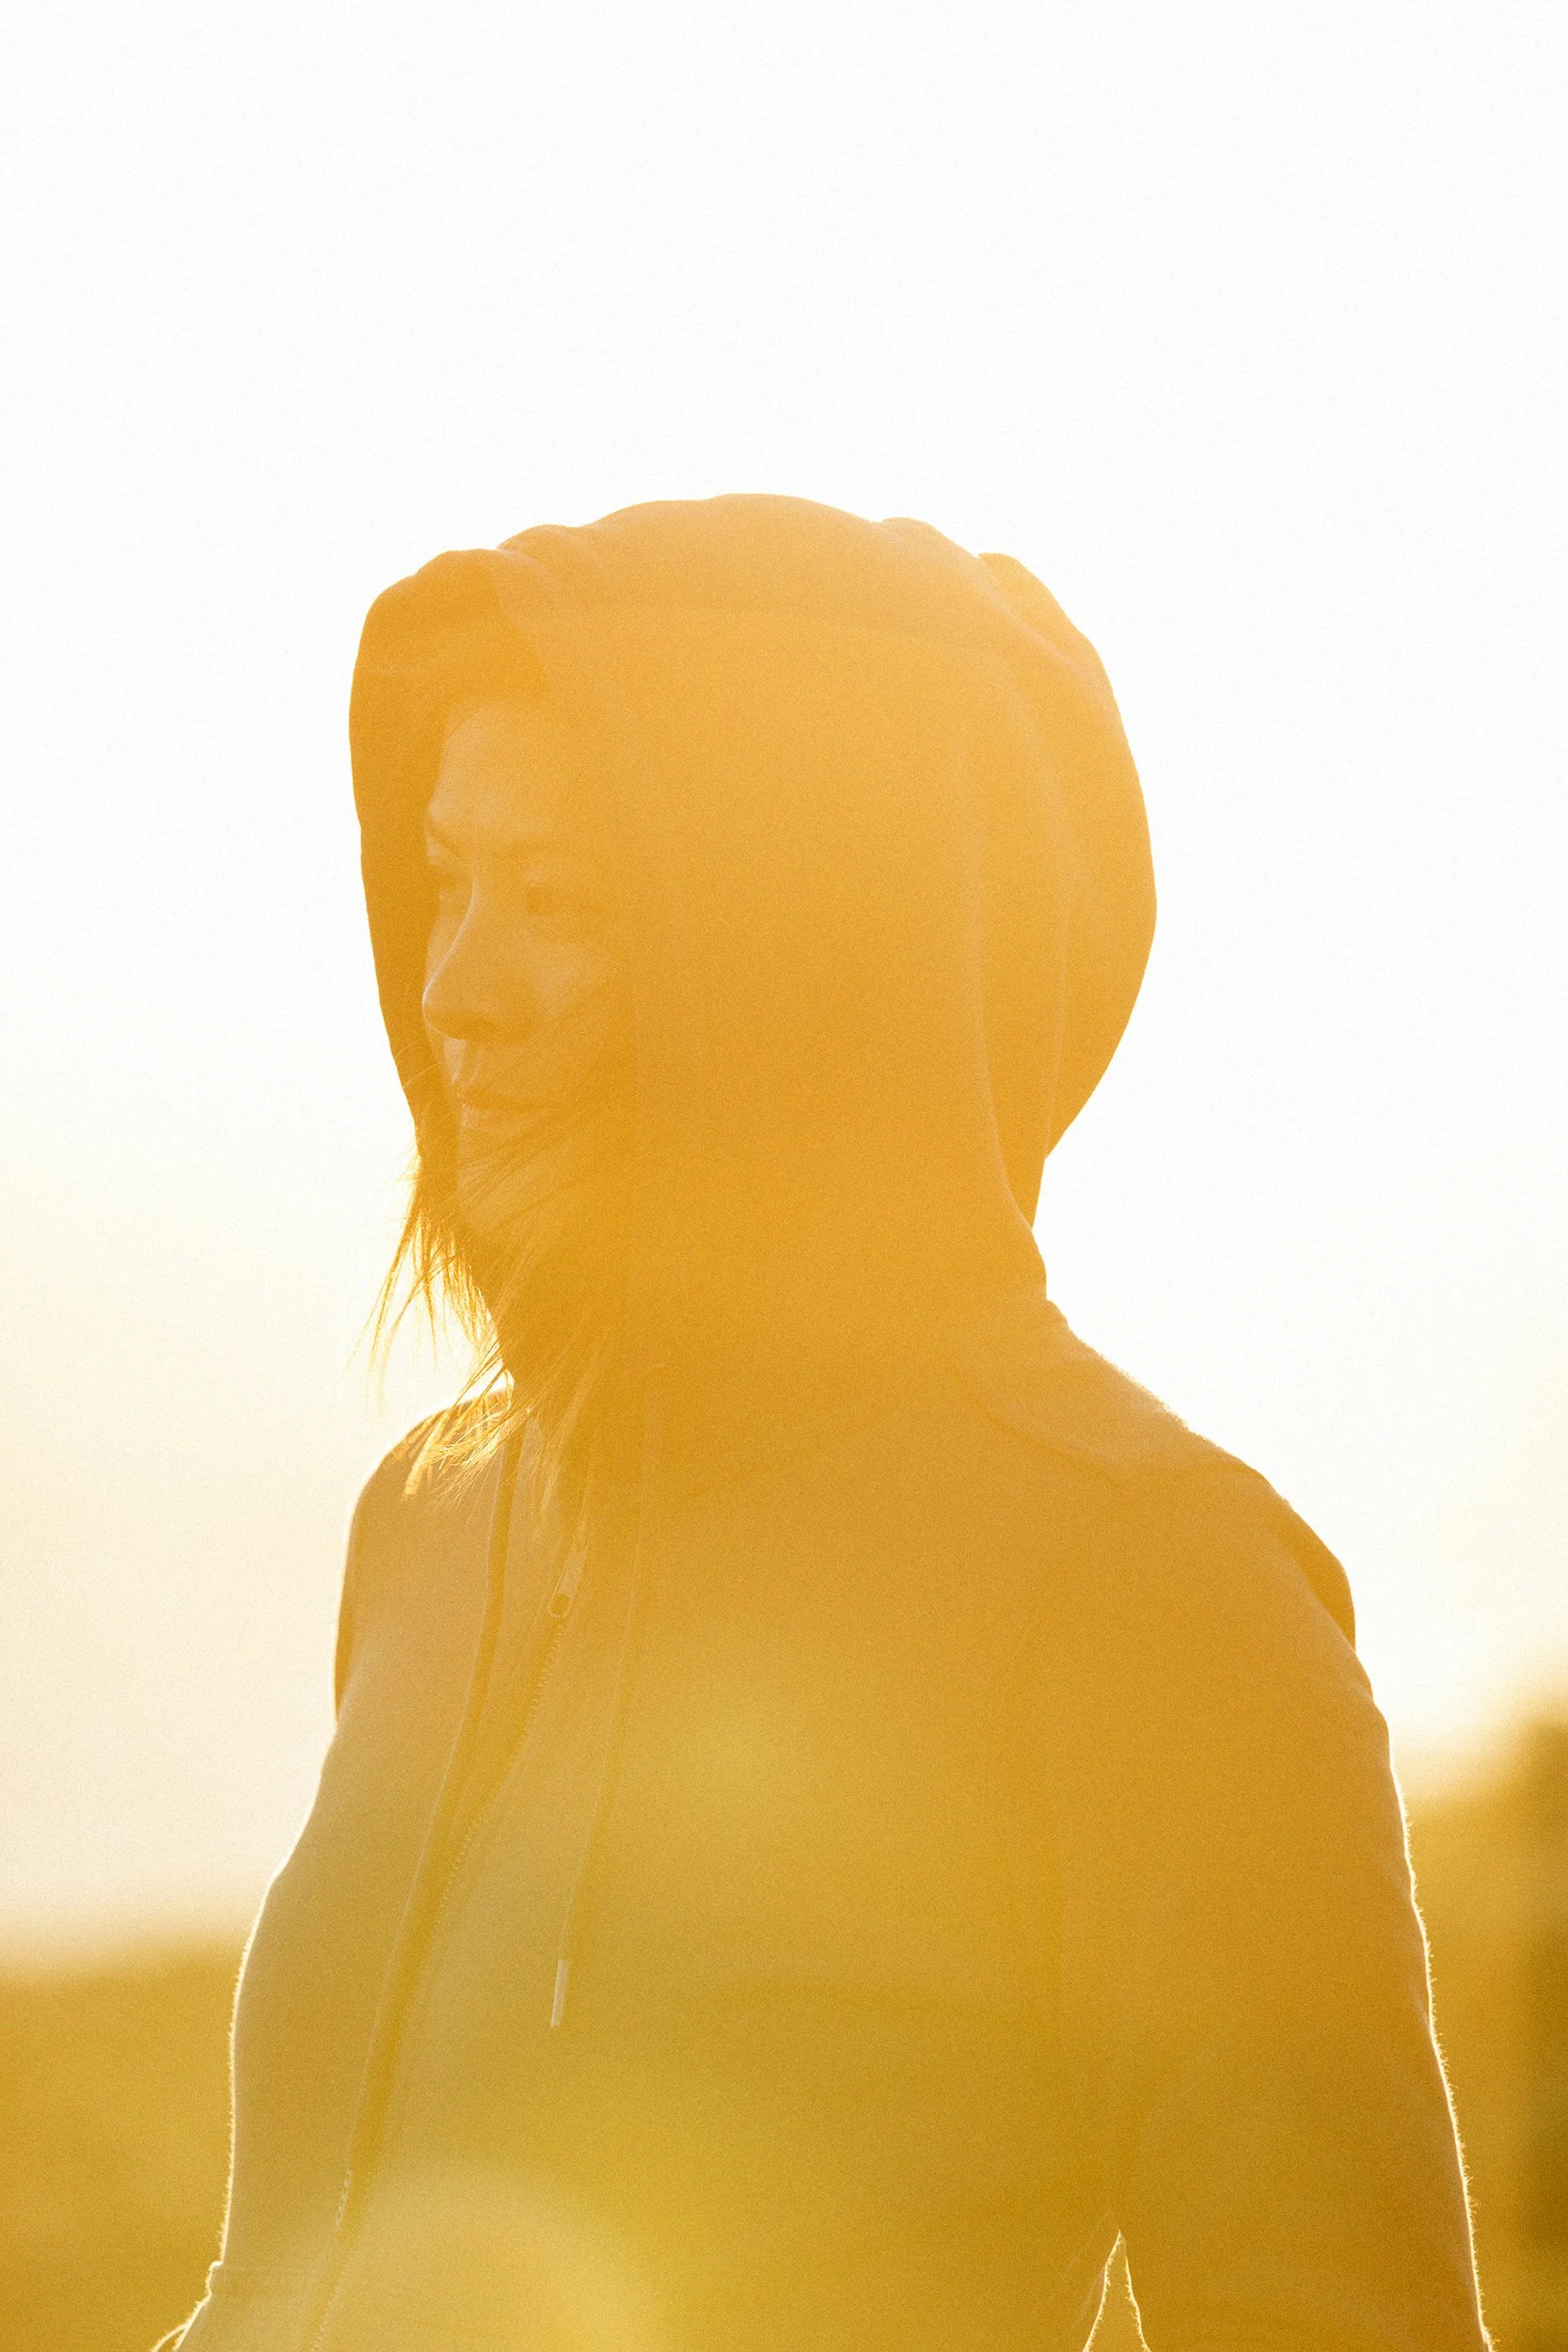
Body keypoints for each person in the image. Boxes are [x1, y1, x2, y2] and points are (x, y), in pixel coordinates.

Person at [169, 496, 1487, 2352]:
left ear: (805, 958)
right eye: (445, 880)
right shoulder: (435, 1512)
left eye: (558, 904)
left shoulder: (1147, 1585)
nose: (453, 988)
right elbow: (267, 2277)